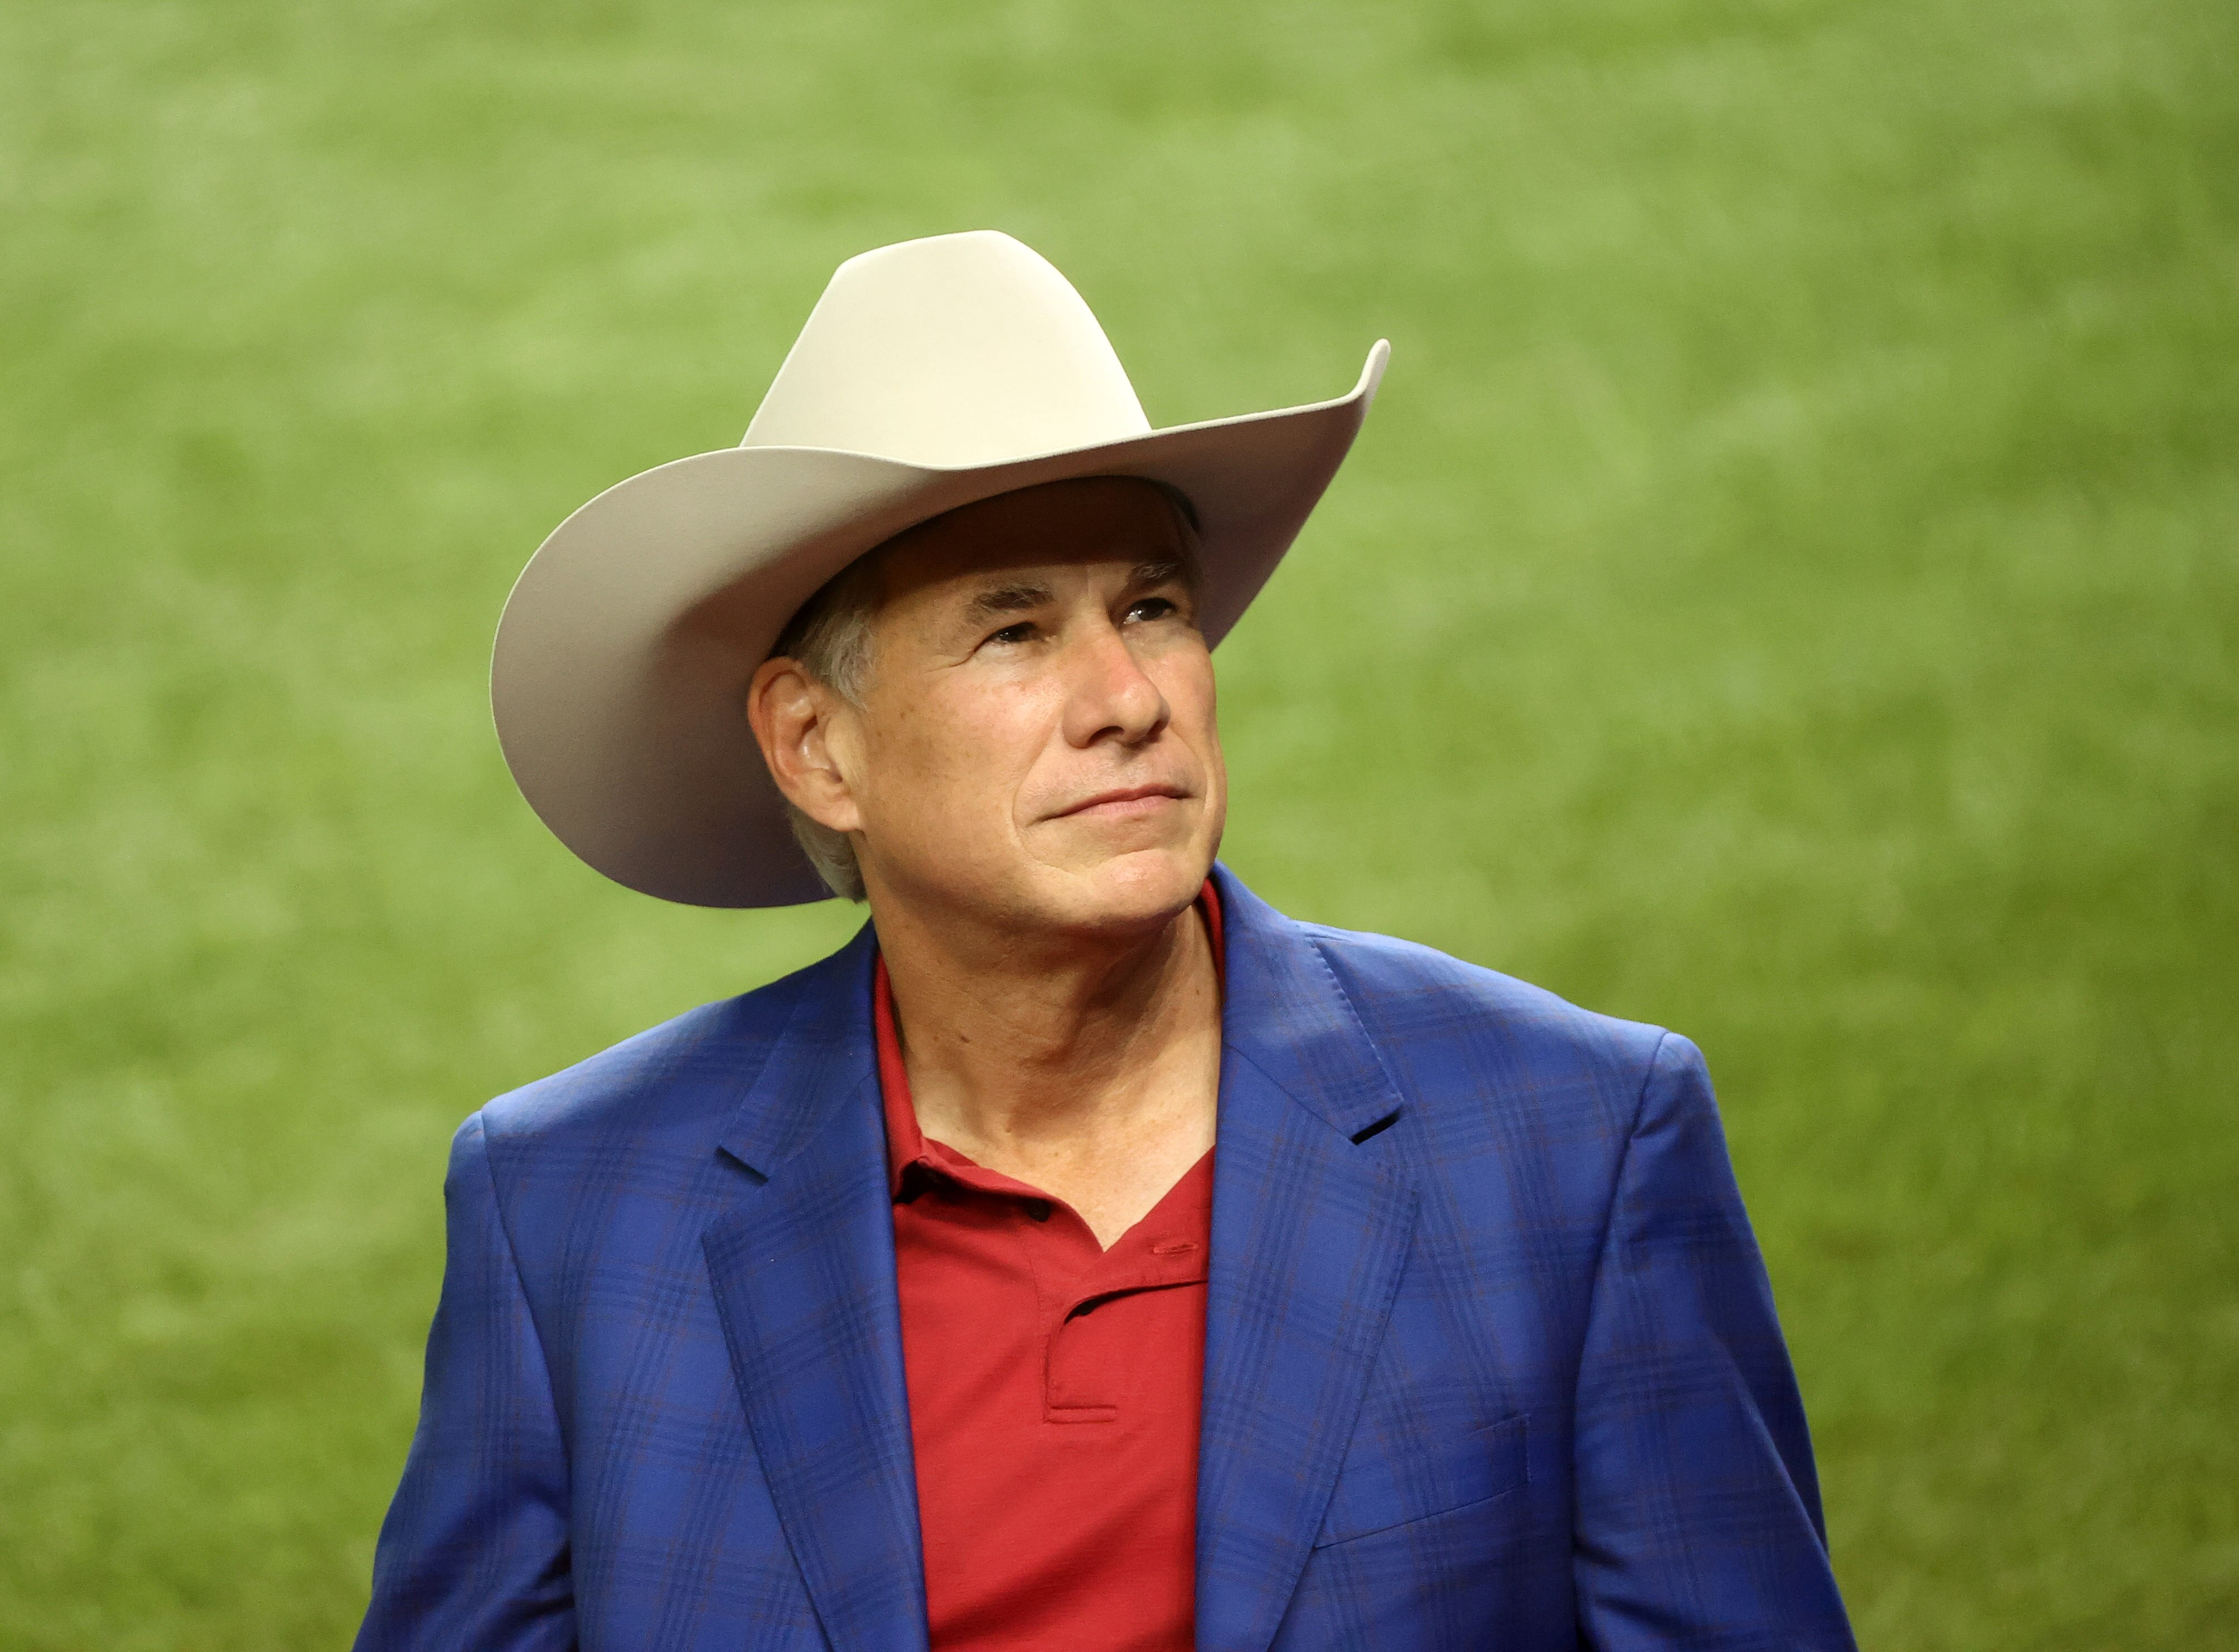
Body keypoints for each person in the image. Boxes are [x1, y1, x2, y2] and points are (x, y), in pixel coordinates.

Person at [358, 230, 1856, 1652]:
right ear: (816, 747)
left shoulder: (1571, 1142)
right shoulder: (567, 1211)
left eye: (1151, 607)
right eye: (1012, 629)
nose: (1125, 694)